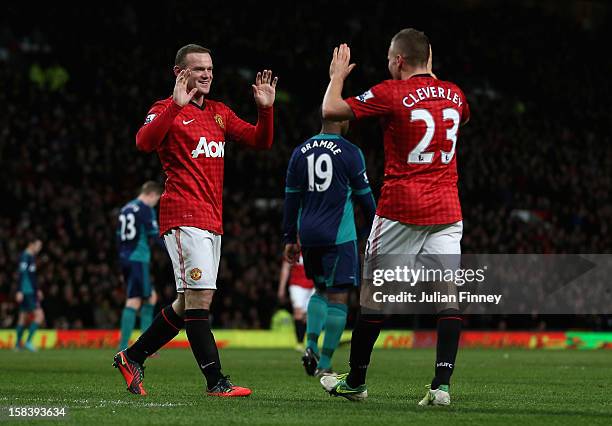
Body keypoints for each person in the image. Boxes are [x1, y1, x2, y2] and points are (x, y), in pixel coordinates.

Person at [113, 44, 278, 397]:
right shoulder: (165, 110)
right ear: (180, 73)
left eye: (210, 69)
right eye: (198, 69)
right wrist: (175, 105)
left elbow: (260, 142)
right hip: (183, 215)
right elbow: (143, 143)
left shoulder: (218, 112)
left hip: (211, 218)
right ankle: (216, 382)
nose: (206, 74)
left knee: (187, 303)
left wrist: (266, 111)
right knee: (200, 299)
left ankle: (133, 356)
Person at [319, 29, 470, 405]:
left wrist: (337, 76)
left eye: (390, 57)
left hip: (401, 210)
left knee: (374, 299)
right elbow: (460, 119)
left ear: (399, 60)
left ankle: (355, 381)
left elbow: (331, 111)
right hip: (447, 211)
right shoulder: (456, 93)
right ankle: (441, 387)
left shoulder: (391, 91)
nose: (388, 63)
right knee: (447, 296)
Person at [282, 116, 376, 377]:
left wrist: (290, 237)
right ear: (342, 120)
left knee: (320, 290)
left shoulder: (300, 151)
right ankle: (324, 364)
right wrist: (373, 231)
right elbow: (365, 198)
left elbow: (291, 199)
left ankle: (310, 344)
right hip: (339, 236)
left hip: (308, 235)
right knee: (338, 296)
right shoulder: (350, 152)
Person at [116, 181, 163, 351]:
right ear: (151, 194)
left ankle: (142, 345)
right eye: (156, 200)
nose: (155, 204)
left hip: (126, 259)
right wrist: (174, 249)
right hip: (138, 258)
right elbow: (155, 235)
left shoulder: (126, 208)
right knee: (136, 300)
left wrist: (121, 266)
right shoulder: (145, 209)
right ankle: (133, 346)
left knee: (150, 297)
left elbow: (119, 239)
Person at [278, 253, 315, 352]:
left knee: (308, 315)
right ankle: (299, 342)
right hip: (296, 285)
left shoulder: (313, 247)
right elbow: (285, 268)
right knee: (298, 312)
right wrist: (281, 288)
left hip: (313, 286)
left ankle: (310, 344)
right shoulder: (293, 250)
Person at [15, 238, 44, 352]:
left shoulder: (30, 257)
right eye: (38, 245)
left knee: (23, 317)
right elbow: (21, 274)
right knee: (40, 315)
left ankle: (17, 345)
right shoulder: (25, 256)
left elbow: (31, 277)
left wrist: (37, 289)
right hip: (27, 291)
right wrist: (20, 290)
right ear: (31, 245)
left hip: (31, 290)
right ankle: (28, 342)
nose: (39, 248)